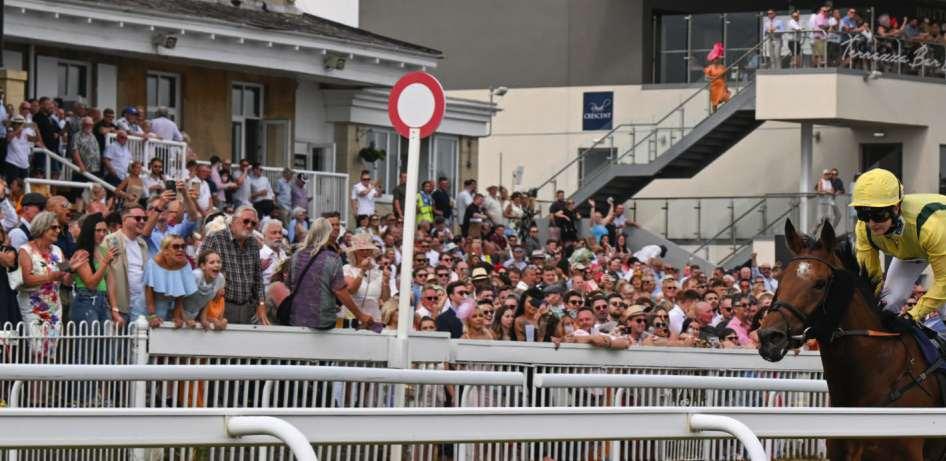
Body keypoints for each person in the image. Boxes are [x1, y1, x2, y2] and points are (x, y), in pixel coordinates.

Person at [851, 168, 946, 323]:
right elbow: (871, 278)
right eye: (864, 214)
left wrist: (912, 315)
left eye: (878, 215)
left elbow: (943, 283)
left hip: (939, 234)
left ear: (896, 208)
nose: (872, 223)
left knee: (944, 307)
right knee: (888, 304)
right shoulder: (863, 228)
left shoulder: (931, 226)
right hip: (912, 250)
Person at [286, 218, 374, 329]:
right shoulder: (332, 258)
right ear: (328, 234)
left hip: (297, 318)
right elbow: (340, 291)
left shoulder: (296, 256)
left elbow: (289, 284)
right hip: (322, 322)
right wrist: (360, 315)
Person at [201, 206, 269, 325]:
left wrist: (261, 304)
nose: (249, 225)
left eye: (253, 223)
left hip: (247, 309)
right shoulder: (215, 238)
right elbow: (202, 272)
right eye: (246, 221)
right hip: (220, 306)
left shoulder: (253, 244)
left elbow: (258, 279)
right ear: (233, 220)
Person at [17, 211, 70, 354]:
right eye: (54, 227)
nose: (58, 231)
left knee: (50, 351)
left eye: (59, 227)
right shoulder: (26, 250)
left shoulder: (58, 250)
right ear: (42, 227)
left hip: (54, 308)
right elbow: (26, 279)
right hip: (33, 308)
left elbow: (66, 280)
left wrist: (73, 270)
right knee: (37, 350)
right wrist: (50, 277)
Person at [103, 205, 150, 329]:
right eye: (137, 218)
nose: (142, 222)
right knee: (116, 341)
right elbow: (105, 274)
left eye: (144, 219)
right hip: (118, 306)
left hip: (139, 306)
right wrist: (113, 308)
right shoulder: (110, 240)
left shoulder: (142, 243)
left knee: (138, 341)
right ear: (124, 220)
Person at [68, 213, 119, 324]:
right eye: (98, 230)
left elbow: (110, 281)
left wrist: (115, 309)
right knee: (90, 335)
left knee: (105, 335)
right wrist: (105, 262)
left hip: (103, 300)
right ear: (89, 231)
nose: (102, 234)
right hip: (86, 300)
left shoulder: (104, 250)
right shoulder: (81, 253)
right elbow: (91, 284)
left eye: (105, 231)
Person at [143, 234, 197, 328]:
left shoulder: (185, 264)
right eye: (176, 247)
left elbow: (180, 294)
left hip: (167, 310)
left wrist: (176, 316)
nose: (180, 249)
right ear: (165, 250)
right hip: (147, 308)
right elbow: (149, 293)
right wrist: (152, 316)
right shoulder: (153, 263)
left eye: (183, 246)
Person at [342, 234, 390, 323]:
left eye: (368, 250)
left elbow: (385, 299)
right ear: (355, 252)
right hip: (352, 320)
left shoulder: (379, 271)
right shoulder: (347, 268)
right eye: (361, 250)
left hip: (373, 320)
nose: (365, 252)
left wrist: (386, 282)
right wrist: (362, 271)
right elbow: (351, 290)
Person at [182, 249, 227, 330]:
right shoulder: (196, 276)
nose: (217, 265)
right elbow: (178, 299)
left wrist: (203, 319)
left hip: (192, 318)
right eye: (212, 262)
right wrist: (185, 319)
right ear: (203, 266)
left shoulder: (220, 278)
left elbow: (207, 299)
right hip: (173, 317)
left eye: (218, 262)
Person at [704, 42, 730, 112]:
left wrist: (726, 84)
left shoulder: (722, 67)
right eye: (715, 59)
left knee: (725, 98)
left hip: (721, 84)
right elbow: (706, 77)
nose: (716, 60)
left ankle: (727, 111)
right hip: (714, 85)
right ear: (713, 60)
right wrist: (713, 78)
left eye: (717, 58)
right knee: (714, 102)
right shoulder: (710, 68)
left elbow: (724, 77)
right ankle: (714, 114)